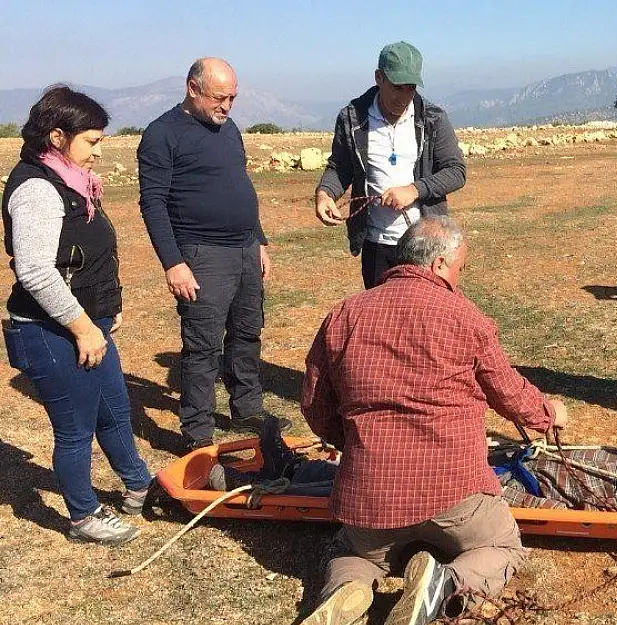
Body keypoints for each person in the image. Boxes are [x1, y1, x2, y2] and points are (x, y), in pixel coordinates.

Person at [300, 216, 568, 625]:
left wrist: (354, 441)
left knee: (351, 553)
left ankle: (346, 590)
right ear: (440, 264)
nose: (459, 278)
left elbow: (315, 405)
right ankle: (445, 583)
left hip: (370, 500)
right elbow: (508, 392)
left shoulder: (346, 314)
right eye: (459, 268)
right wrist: (548, 414)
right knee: (503, 547)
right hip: (455, 497)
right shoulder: (465, 316)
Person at [1, 86, 152, 546]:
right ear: (58, 136)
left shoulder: (73, 181)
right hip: (50, 330)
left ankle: (139, 485)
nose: (100, 151)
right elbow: (34, 271)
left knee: (113, 409)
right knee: (75, 427)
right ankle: (83, 517)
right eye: (92, 141)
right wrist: (85, 327)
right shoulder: (36, 190)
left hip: (87, 321)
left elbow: (93, 251)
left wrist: (110, 306)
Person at [138, 58, 289, 452]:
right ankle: (197, 431)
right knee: (203, 346)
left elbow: (240, 182)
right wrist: (173, 263)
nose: (227, 106)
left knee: (247, 333)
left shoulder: (229, 127)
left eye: (232, 98)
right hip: (201, 254)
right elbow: (152, 204)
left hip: (244, 250)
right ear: (192, 88)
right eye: (219, 97)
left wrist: (258, 239)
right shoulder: (162, 134)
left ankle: (247, 407)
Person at [204, 416, 617, 518]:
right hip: (508, 464)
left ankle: (264, 481)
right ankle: (287, 470)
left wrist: (504, 498)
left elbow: (571, 503)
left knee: (397, 480)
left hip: (504, 483)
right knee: (400, 457)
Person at [315, 41, 467, 289]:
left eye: (411, 88)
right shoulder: (352, 118)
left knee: (423, 320)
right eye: (397, 87)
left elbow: (456, 171)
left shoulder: (433, 118)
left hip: (424, 244)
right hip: (376, 244)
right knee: (380, 320)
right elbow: (339, 167)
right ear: (379, 78)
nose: (404, 97)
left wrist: (414, 190)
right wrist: (325, 194)